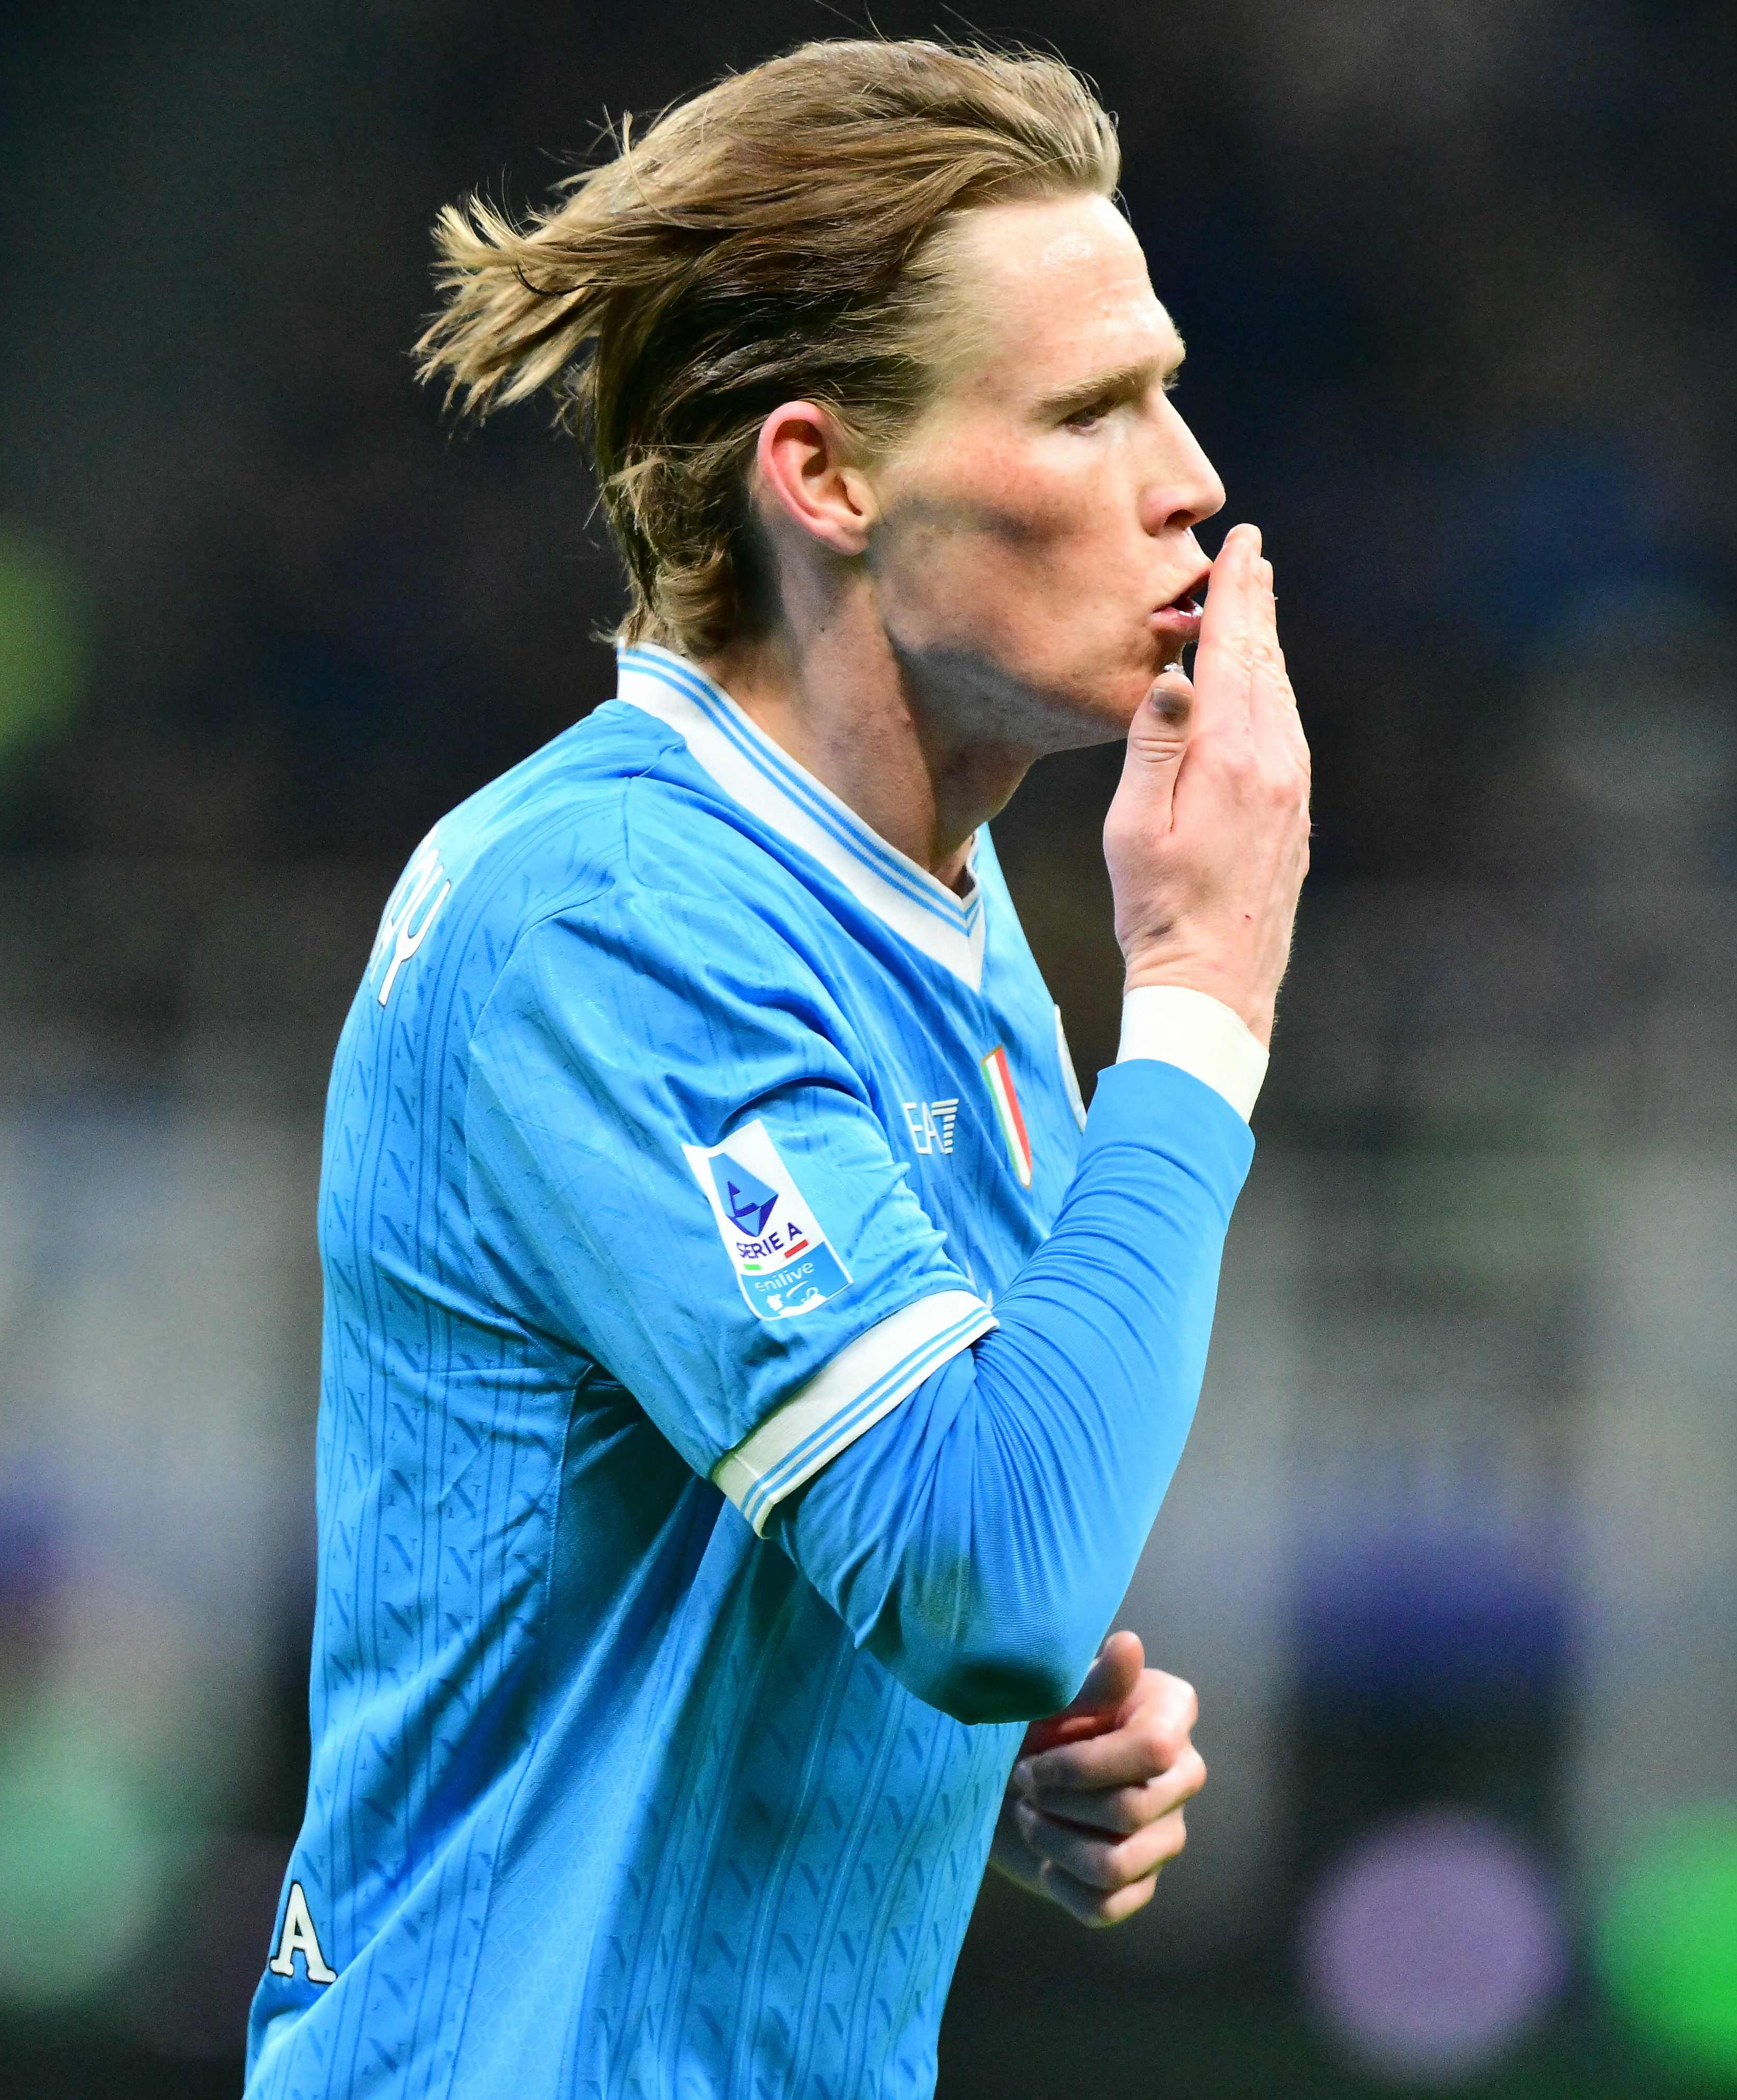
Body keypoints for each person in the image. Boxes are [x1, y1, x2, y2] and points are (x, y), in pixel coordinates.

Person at [247, 37, 1309, 2097]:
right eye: (1090, 410)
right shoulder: (613, 912)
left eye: (1165, 389)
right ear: (824, 479)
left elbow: (940, 1566)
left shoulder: (948, 909)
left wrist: (973, 1765)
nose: (1185, 477)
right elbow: (984, 1576)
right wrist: (1198, 998)